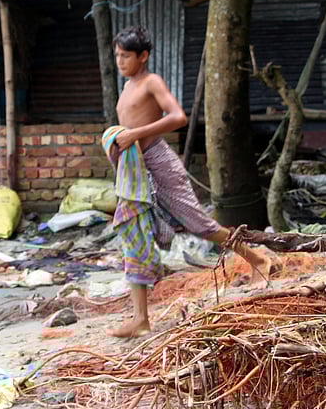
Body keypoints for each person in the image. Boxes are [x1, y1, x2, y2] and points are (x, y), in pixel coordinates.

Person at [102, 27, 273, 338]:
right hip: (136, 171)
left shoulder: (151, 82)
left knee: (200, 225)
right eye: (117, 55)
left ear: (143, 56)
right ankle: (140, 317)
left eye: (125, 56)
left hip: (160, 161)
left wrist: (135, 134)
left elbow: (178, 116)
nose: (120, 61)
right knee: (133, 230)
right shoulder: (126, 86)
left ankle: (257, 257)